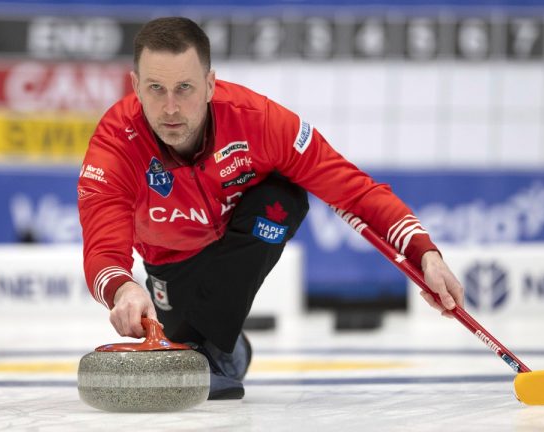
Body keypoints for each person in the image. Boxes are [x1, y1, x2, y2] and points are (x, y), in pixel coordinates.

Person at [77, 17, 464, 400]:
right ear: (135, 86)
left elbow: (352, 191)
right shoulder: (115, 144)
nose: (171, 107)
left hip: (243, 240)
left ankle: (213, 344)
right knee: (190, 347)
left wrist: (424, 253)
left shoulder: (257, 120)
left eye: (185, 88)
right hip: (171, 261)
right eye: (156, 89)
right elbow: (102, 245)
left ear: (210, 84)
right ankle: (229, 346)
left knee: (282, 199)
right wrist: (122, 288)